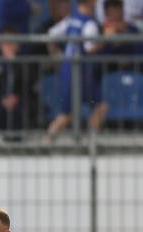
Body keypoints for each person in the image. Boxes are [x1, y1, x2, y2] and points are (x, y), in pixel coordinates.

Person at [43, 0, 109, 143]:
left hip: (70, 68)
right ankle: (49, 140)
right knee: (70, 112)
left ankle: (88, 141)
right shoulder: (89, 24)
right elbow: (89, 48)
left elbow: (50, 34)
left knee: (97, 106)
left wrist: (57, 56)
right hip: (82, 71)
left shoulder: (71, 20)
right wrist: (104, 41)